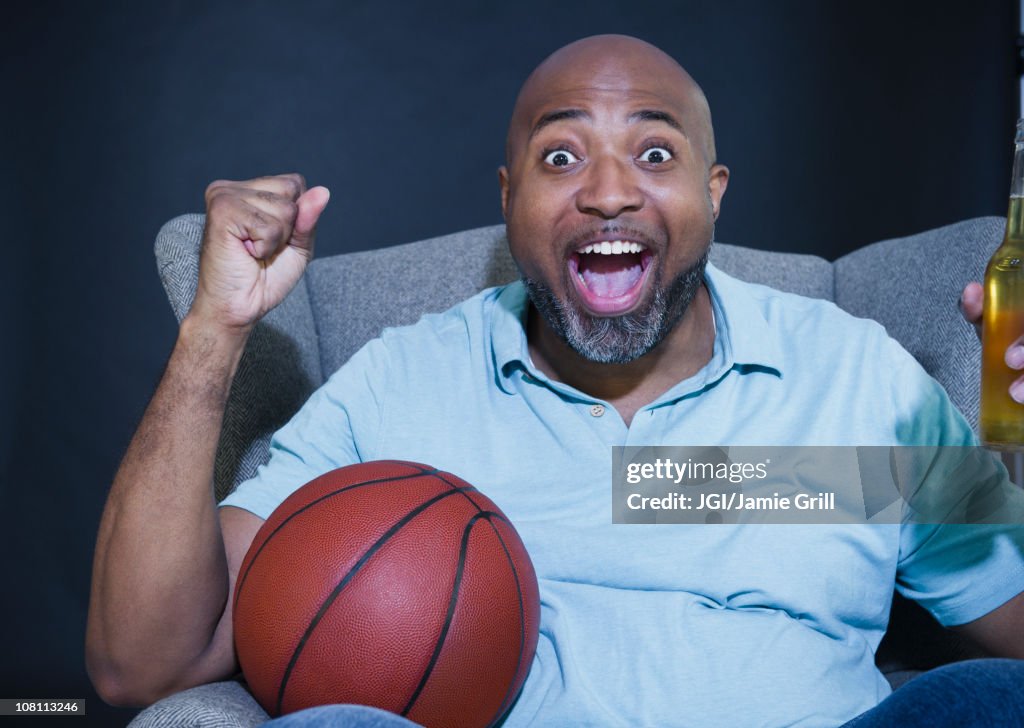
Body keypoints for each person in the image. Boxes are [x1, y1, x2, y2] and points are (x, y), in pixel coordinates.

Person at [86, 34, 1024, 727]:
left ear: (715, 192)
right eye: (561, 156)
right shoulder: (404, 384)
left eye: (655, 154)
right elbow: (145, 666)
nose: (608, 190)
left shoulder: (854, 375)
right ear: (508, 199)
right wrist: (216, 333)